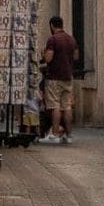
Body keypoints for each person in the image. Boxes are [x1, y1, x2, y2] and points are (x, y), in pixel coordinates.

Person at [40, 15, 79, 144]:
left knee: (55, 105)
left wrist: (44, 55)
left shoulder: (52, 40)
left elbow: (48, 59)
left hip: (54, 77)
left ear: (52, 25)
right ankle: (68, 135)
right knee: (67, 106)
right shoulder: (71, 39)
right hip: (68, 77)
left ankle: (55, 134)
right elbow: (76, 57)